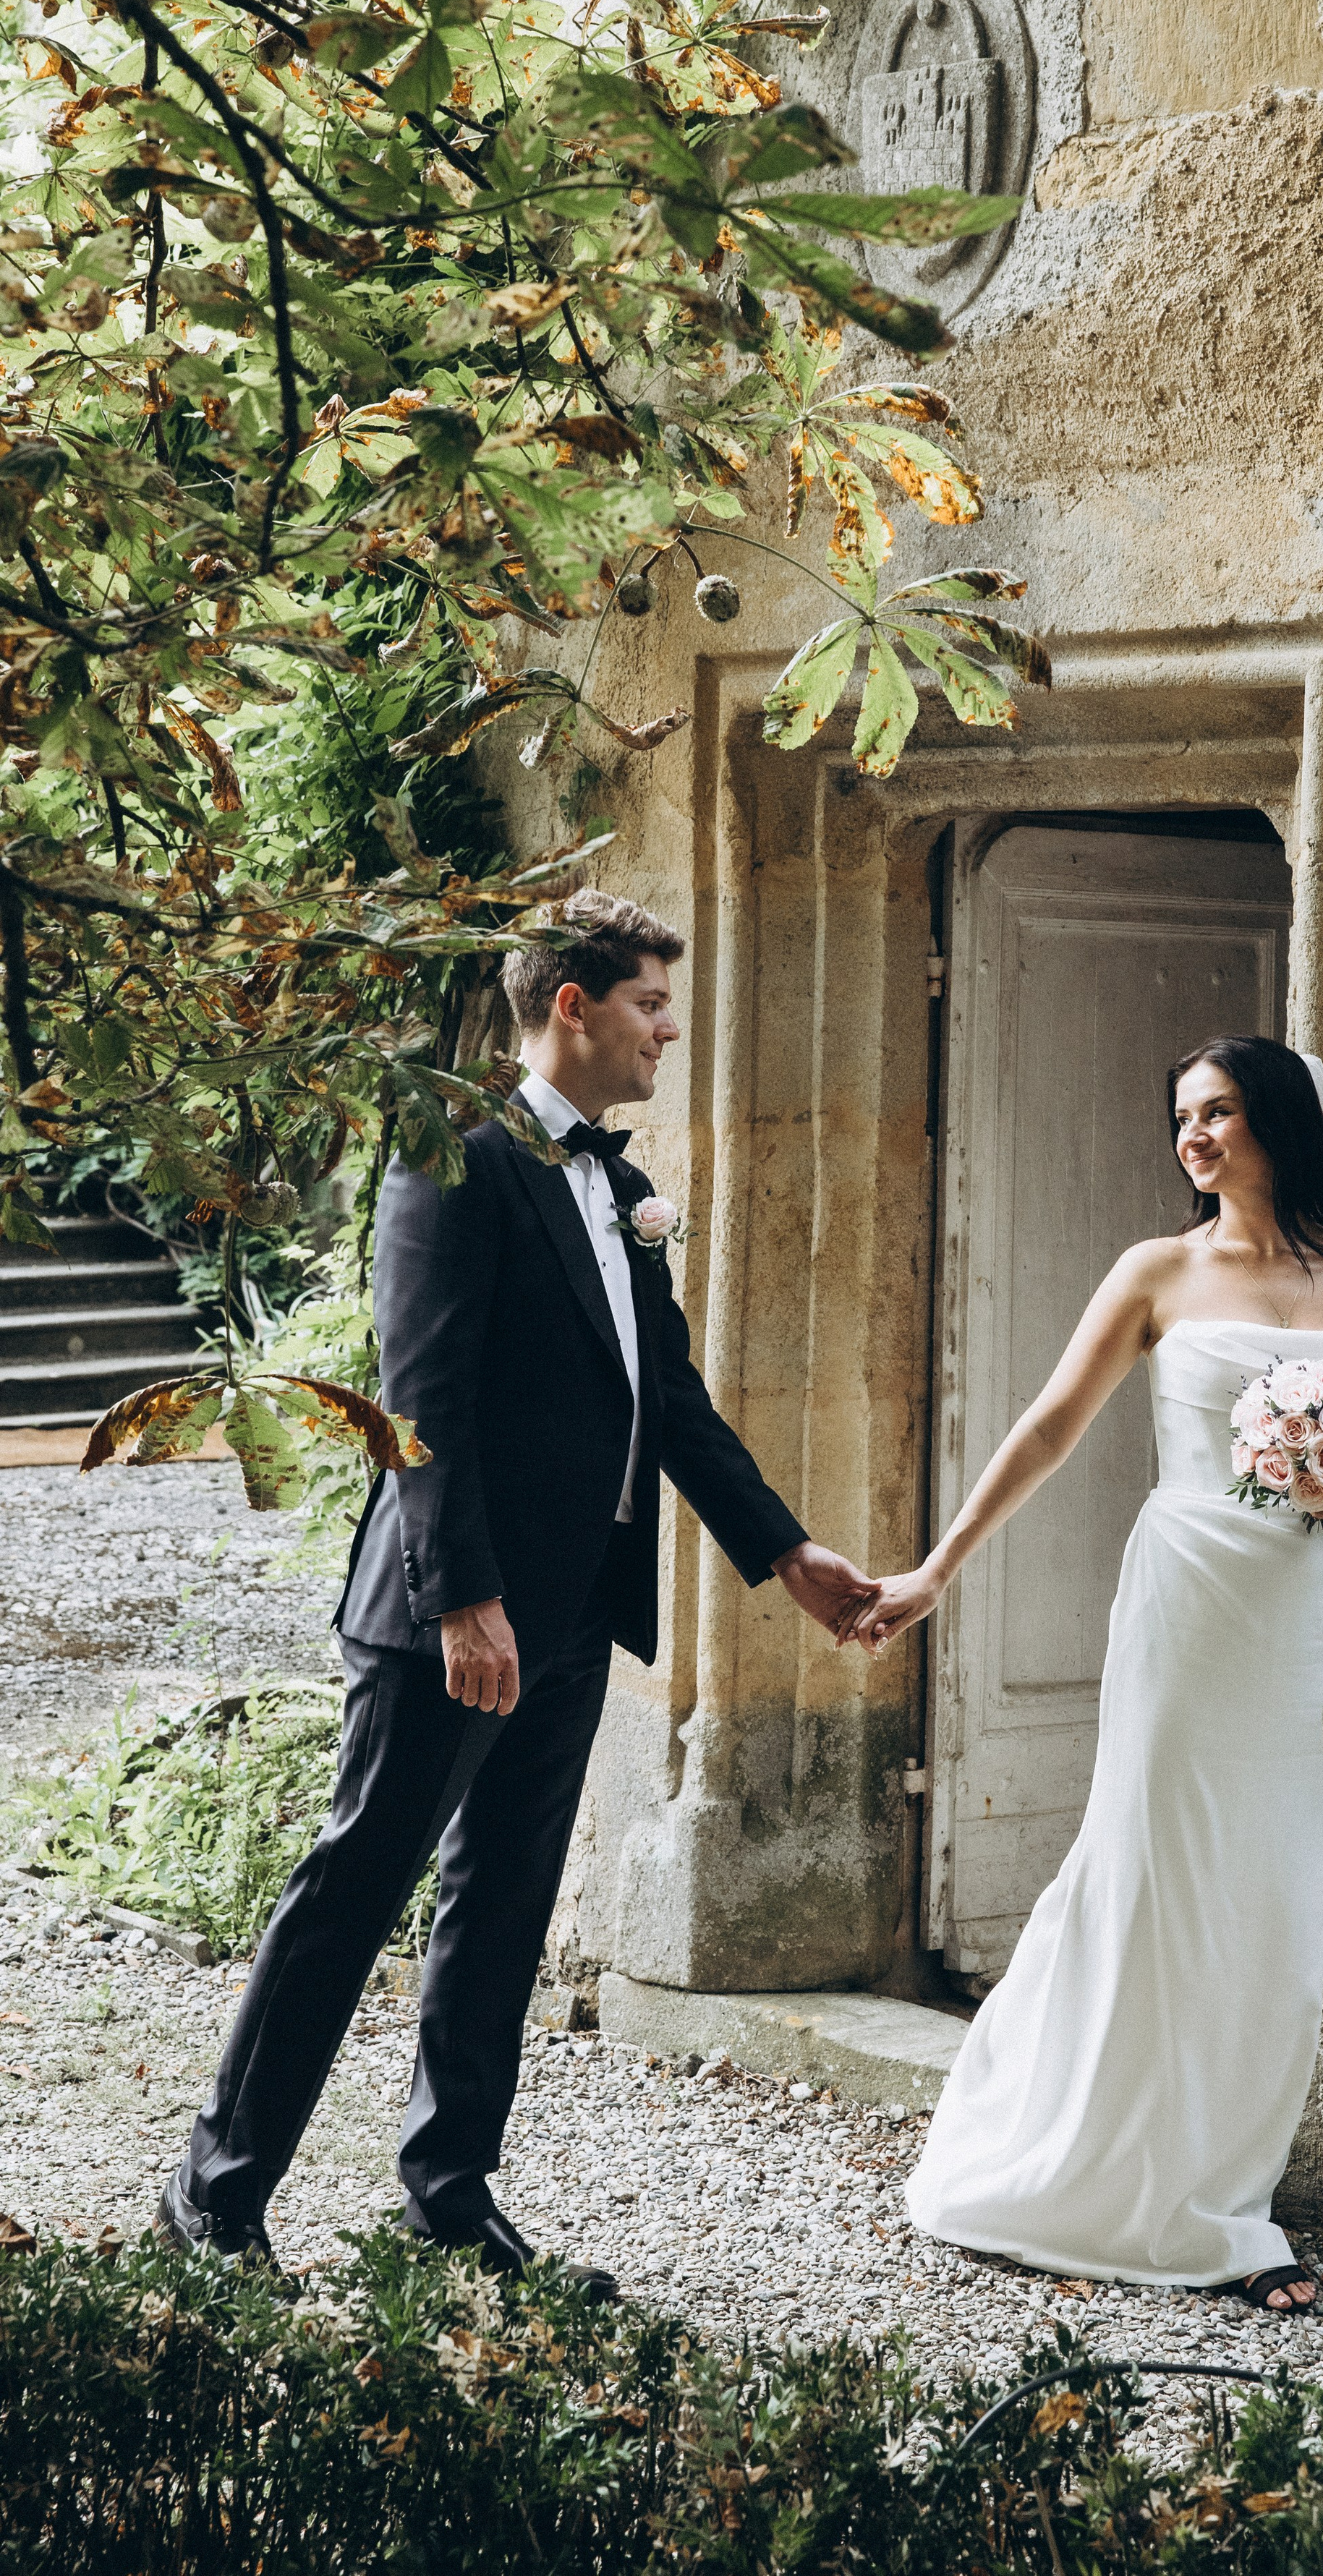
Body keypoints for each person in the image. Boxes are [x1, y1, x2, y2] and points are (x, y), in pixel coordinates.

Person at [158, 891, 875, 2290]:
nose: (671, 1029)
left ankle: (448, 2201)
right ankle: (216, 2195)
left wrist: (789, 1554)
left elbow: (669, 1400)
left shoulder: (614, 1185)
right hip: (453, 1616)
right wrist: (461, 1602)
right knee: (355, 1888)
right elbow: (420, 1402)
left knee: (502, 1904)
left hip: (574, 1612)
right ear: (572, 1005)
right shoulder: (456, 1155)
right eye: (652, 1004)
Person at [845, 1036, 1323, 2313]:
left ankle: (1228, 2200)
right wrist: (937, 1570)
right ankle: (1078, 2165)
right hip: (1191, 1600)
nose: (1193, 1136)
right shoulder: (1156, 1270)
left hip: (1310, 1613)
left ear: (1279, 1119)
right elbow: (1051, 1423)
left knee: (1274, 1898)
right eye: (1182, 1118)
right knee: (1151, 1868)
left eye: (1219, 1111)